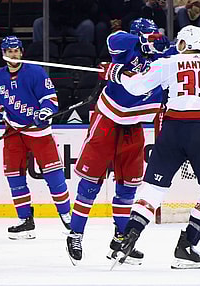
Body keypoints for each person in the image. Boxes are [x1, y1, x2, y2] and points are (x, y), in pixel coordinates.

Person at [100, 25, 200, 269]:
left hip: (172, 130)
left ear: (181, 44)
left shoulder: (167, 63)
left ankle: (127, 238)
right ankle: (187, 247)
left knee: (153, 189)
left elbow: (137, 87)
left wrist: (116, 73)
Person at [65, 18, 172, 266]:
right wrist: (142, 41)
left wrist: (170, 47)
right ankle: (75, 233)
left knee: (128, 187)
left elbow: (180, 58)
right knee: (90, 184)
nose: (153, 40)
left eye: (155, 35)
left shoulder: (160, 60)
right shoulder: (126, 45)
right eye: (149, 36)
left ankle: (120, 237)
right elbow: (113, 39)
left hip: (134, 126)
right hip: (108, 120)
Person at [0, 36, 72, 240]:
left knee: (53, 174)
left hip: (38, 131)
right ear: (3, 53)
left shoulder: (36, 72)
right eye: (9, 51)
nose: (13, 54)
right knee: (14, 175)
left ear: (22, 52)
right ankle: (25, 221)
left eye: (16, 50)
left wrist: (45, 112)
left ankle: (67, 215)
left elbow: (50, 99)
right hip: (13, 130)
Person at [32, 0, 98, 45]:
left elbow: (88, 9)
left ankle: (85, 55)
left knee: (88, 25)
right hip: (57, 24)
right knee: (38, 23)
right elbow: (50, 10)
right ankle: (39, 54)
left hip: (76, 24)